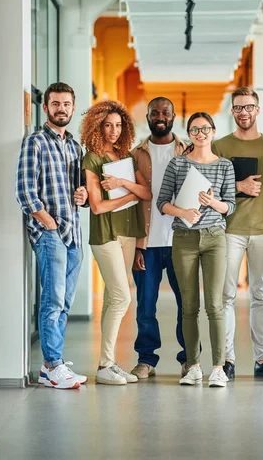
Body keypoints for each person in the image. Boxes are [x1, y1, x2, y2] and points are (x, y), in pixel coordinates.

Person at [16, 82, 88, 390]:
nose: (61, 108)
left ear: (73, 107)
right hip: (50, 234)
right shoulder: (35, 142)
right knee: (53, 300)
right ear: (45, 108)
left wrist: (82, 194)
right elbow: (24, 190)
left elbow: (78, 190)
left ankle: (51, 366)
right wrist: (47, 223)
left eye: (66, 104)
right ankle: (53, 365)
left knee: (65, 301)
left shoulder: (75, 146)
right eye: (55, 103)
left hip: (74, 232)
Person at [212, 86, 263, 380]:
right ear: (232, 111)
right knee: (226, 295)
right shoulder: (220, 146)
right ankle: (227, 360)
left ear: (258, 110)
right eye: (238, 107)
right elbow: (210, 189)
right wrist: (239, 186)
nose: (244, 112)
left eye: (249, 107)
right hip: (229, 230)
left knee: (261, 295)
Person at [157, 112, 236, 387]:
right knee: (189, 306)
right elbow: (162, 203)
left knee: (215, 305)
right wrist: (184, 212)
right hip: (184, 239)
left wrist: (213, 203)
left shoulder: (225, 165)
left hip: (215, 238)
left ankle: (218, 368)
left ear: (213, 131)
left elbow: (230, 206)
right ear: (189, 134)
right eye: (194, 129)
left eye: (205, 128)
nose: (200, 133)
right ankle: (193, 367)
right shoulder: (177, 164)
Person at [81, 100, 152, 386]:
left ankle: (106, 363)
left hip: (128, 233)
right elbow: (98, 207)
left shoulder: (125, 157)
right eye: (108, 125)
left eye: (118, 125)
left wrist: (125, 189)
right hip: (106, 235)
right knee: (122, 297)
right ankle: (106, 364)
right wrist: (128, 195)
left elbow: (145, 192)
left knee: (113, 297)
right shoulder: (92, 158)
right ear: (98, 126)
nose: (113, 130)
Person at [130, 97, 188, 379]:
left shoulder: (187, 150)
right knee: (145, 306)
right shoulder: (135, 154)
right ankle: (146, 360)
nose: (160, 116)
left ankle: (189, 358)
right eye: (155, 113)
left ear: (174, 116)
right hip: (146, 244)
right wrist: (135, 246)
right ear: (148, 116)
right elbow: (129, 201)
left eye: (166, 112)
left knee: (186, 305)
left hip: (181, 241)